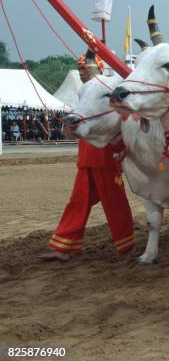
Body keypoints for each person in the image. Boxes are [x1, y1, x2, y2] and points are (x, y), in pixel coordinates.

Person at [38, 52, 134, 261]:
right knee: (77, 202)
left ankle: (126, 244)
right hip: (87, 158)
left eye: (84, 68)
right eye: (80, 68)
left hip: (106, 157)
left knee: (114, 203)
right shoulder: (85, 93)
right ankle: (63, 246)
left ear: (98, 68)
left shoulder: (110, 90)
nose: (81, 72)